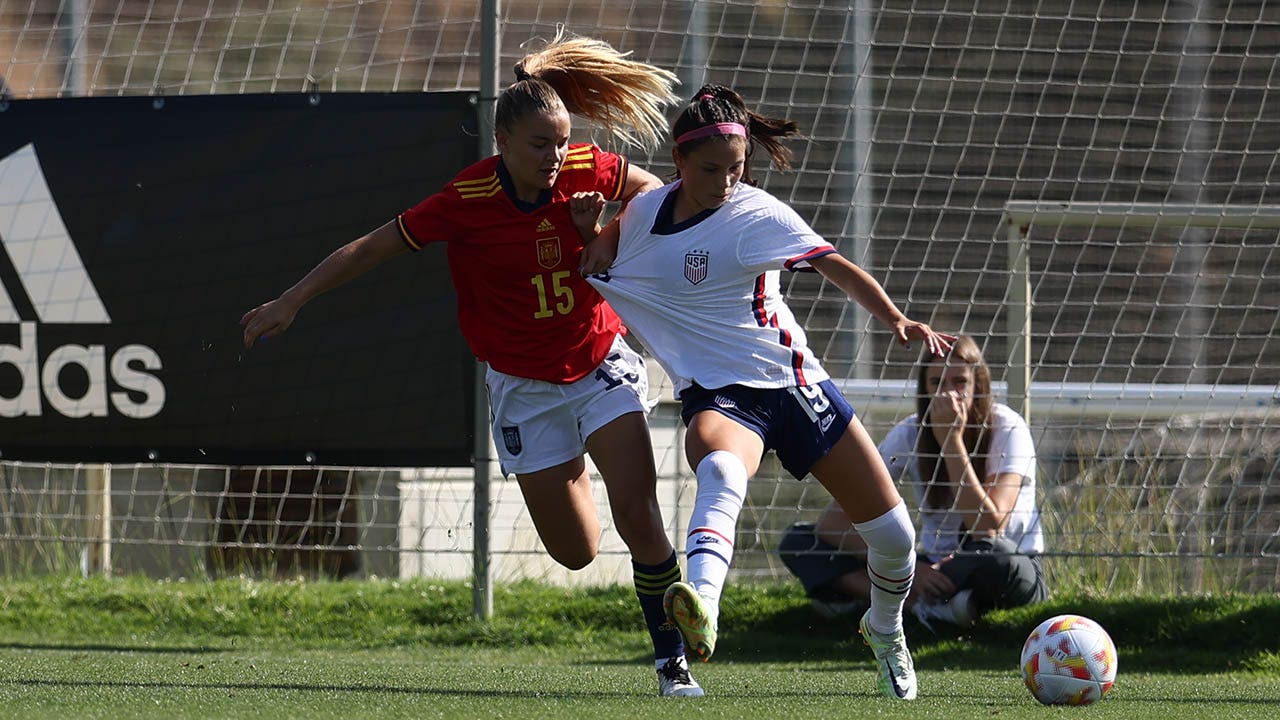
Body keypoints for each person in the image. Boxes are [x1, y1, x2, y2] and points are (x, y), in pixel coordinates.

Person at [240, 30, 705, 698]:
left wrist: (600, 234)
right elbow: (372, 247)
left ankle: (672, 663)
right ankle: (582, 473)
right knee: (575, 551)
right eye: (538, 144)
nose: (554, 156)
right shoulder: (467, 199)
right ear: (503, 145)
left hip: (599, 361)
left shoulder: (584, 170)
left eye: (562, 140)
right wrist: (291, 300)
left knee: (639, 514)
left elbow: (657, 192)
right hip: (525, 389)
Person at [574, 83, 956, 701]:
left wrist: (896, 320)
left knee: (895, 540)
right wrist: (587, 232)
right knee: (721, 469)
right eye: (711, 168)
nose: (727, 180)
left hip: (793, 384)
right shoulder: (643, 213)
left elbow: (834, 265)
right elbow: (596, 259)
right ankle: (703, 609)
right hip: (722, 396)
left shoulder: (757, 214)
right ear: (678, 159)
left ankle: (884, 630)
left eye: (737, 167)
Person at [778, 335, 1048, 632]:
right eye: (937, 383)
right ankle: (917, 606)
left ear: (979, 386)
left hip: (992, 561)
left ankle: (878, 601)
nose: (948, 394)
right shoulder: (909, 432)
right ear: (925, 389)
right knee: (800, 541)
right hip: (928, 566)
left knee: (1003, 560)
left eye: (959, 382)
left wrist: (950, 441)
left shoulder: (1008, 427)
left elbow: (988, 528)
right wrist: (911, 570)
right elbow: (831, 524)